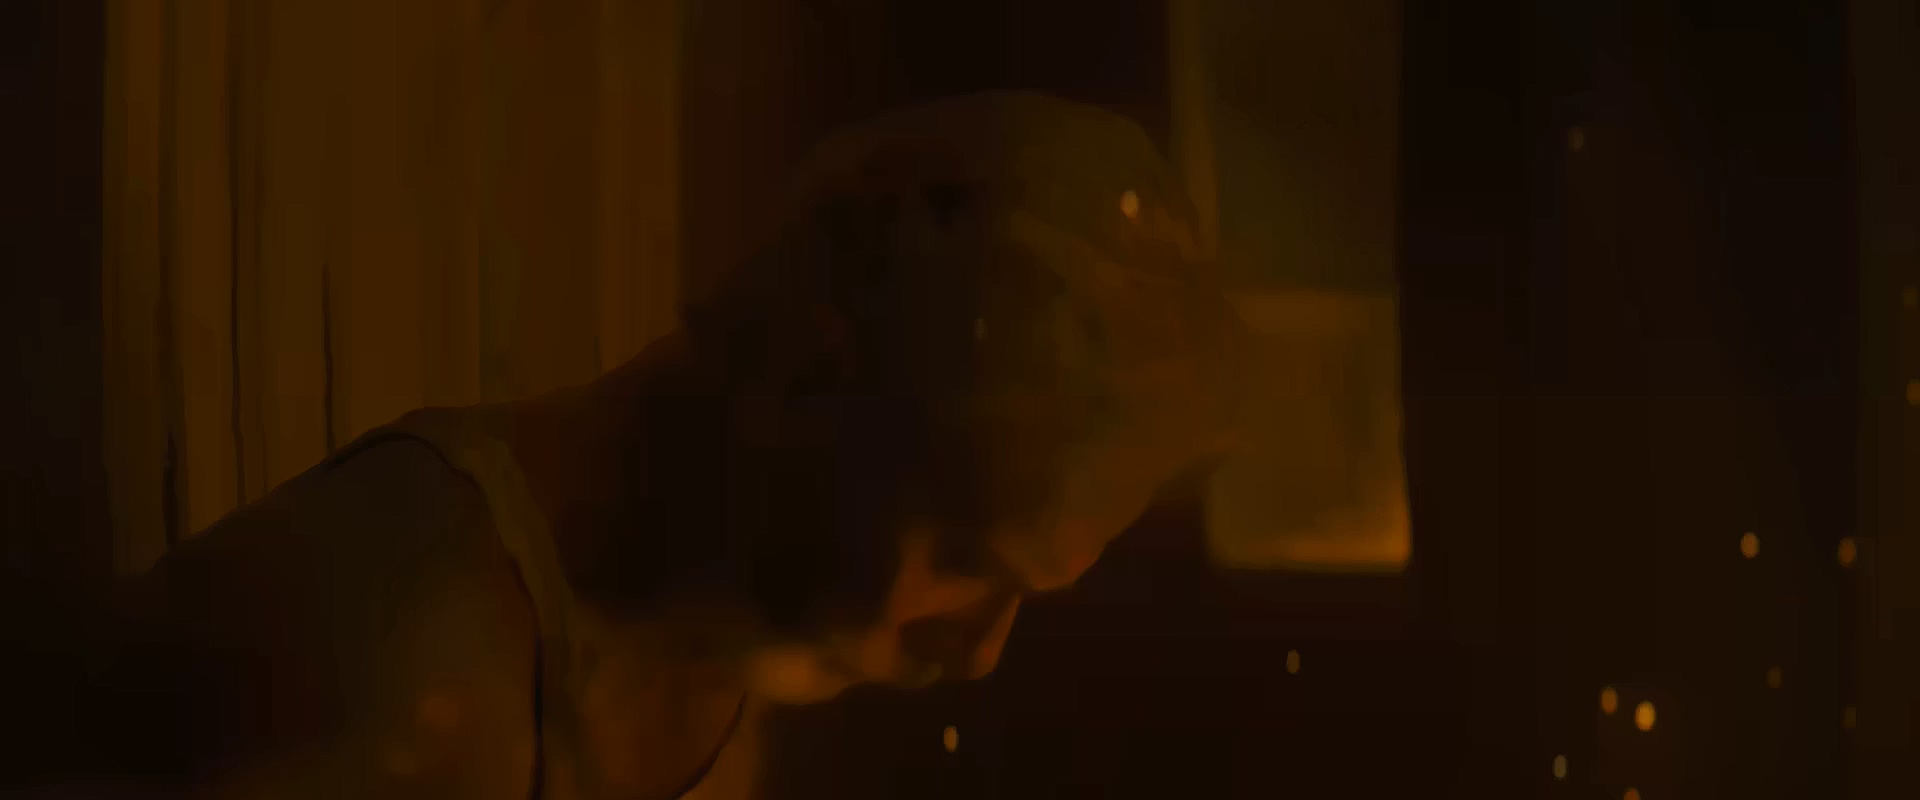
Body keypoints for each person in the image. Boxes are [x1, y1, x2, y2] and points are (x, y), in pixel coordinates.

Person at [74, 91, 1245, 799]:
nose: (981, 649)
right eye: (968, 556)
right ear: (811, 383)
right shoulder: (410, 678)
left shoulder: (686, 674)